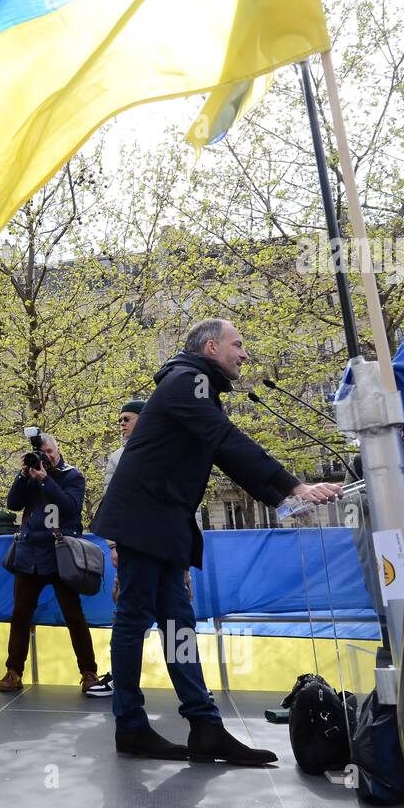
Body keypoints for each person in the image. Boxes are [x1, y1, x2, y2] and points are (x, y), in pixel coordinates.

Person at [92, 318, 342, 765]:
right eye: (238, 344)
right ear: (211, 347)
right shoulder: (185, 381)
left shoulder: (196, 386)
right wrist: (292, 486)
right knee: (133, 619)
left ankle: (205, 726)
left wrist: (285, 492)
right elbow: (226, 440)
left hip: (166, 521)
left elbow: (224, 452)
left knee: (178, 626)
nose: (244, 354)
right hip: (144, 519)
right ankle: (129, 726)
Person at [0, 433, 101, 696]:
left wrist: (45, 480)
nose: (46, 457)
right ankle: (14, 671)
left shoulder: (72, 476)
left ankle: (89, 672)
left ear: (57, 451)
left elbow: (70, 508)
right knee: (20, 614)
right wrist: (24, 476)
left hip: (61, 555)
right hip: (30, 554)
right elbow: (13, 504)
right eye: (42, 453)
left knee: (74, 615)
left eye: (49, 452)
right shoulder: (30, 475)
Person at [88, 399, 146, 699]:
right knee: (126, 619)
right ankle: (122, 681)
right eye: (120, 419)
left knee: (175, 622)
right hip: (131, 549)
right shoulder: (115, 458)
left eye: (127, 418)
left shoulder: (169, 449)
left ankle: (192, 686)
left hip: (166, 549)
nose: (121, 423)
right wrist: (113, 544)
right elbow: (111, 503)